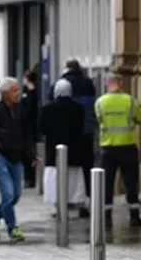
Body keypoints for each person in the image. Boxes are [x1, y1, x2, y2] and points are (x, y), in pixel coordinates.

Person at [0, 77, 38, 242]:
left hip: (16, 156)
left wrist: (31, 154)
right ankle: (12, 228)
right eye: (14, 90)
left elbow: (27, 133)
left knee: (16, 194)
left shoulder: (20, 109)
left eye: (18, 90)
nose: (18, 93)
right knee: (8, 193)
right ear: (5, 93)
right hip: (0, 156)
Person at [95, 74, 141, 227]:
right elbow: (140, 119)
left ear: (106, 83)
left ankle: (107, 216)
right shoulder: (130, 100)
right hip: (127, 147)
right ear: (121, 83)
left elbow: (99, 121)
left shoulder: (100, 102)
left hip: (107, 148)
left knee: (107, 183)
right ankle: (134, 216)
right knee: (131, 182)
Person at [38, 80, 87, 215]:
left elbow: (42, 128)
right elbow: (81, 127)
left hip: (54, 148)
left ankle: (56, 204)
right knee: (75, 177)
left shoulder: (48, 108)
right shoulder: (79, 108)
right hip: (75, 149)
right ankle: (77, 201)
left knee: (54, 178)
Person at [59, 59, 98, 211]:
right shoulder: (87, 82)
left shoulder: (62, 83)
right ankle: (87, 198)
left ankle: (66, 198)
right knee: (87, 166)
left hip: (68, 132)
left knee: (66, 166)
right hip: (86, 131)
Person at [21, 70, 40, 188]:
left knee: (29, 153)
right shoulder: (27, 92)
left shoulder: (32, 93)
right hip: (26, 126)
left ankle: (30, 178)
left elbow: (29, 110)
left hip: (29, 127)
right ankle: (28, 177)